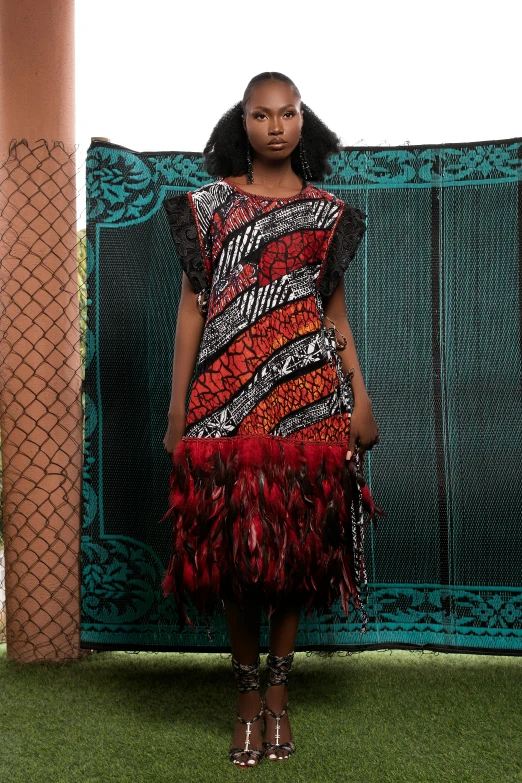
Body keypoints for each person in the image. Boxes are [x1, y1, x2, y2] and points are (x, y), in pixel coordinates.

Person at [158, 71, 385, 768]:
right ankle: (247, 696)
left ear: (302, 122)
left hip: (310, 399)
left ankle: (280, 696)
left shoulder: (328, 214)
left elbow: (334, 314)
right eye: (262, 115)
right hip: (226, 400)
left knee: (292, 555)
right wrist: (177, 408)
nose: (276, 126)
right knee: (234, 558)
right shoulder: (209, 208)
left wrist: (362, 394)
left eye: (288, 114)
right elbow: (194, 306)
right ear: (243, 123)